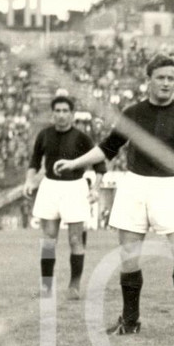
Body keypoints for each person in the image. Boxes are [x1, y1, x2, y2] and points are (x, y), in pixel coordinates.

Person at [53, 54, 174, 337]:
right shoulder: (133, 113)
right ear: (148, 80)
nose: (166, 83)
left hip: (172, 187)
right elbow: (108, 147)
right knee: (128, 257)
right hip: (135, 185)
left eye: (171, 78)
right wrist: (75, 163)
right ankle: (130, 320)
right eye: (160, 78)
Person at [25, 96, 106, 300]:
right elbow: (34, 161)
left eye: (65, 111)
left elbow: (100, 166)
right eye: (58, 111)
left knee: (75, 239)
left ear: (72, 114)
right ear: (52, 113)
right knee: (48, 239)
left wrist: (95, 188)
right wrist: (29, 181)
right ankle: (46, 287)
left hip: (75, 188)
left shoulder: (82, 137)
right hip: (50, 187)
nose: (61, 115)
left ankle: (74, 286)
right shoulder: (44, 135)